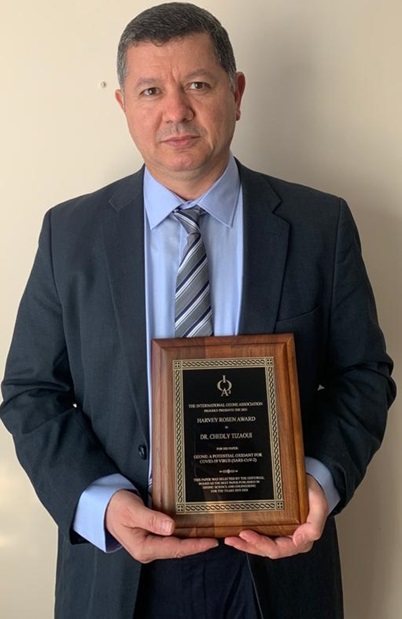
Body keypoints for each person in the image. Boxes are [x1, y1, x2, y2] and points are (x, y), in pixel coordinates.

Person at [1, 3, 396, 618]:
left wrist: (316, 482)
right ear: (123, 105)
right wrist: (100, 503)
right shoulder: (69, 235)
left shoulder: (322, 226)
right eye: (151, 91)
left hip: (276, 570)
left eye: (198, 85)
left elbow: (363, 376)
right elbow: (30, 391)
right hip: (120, 572)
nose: (176, 111)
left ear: (236, 93)